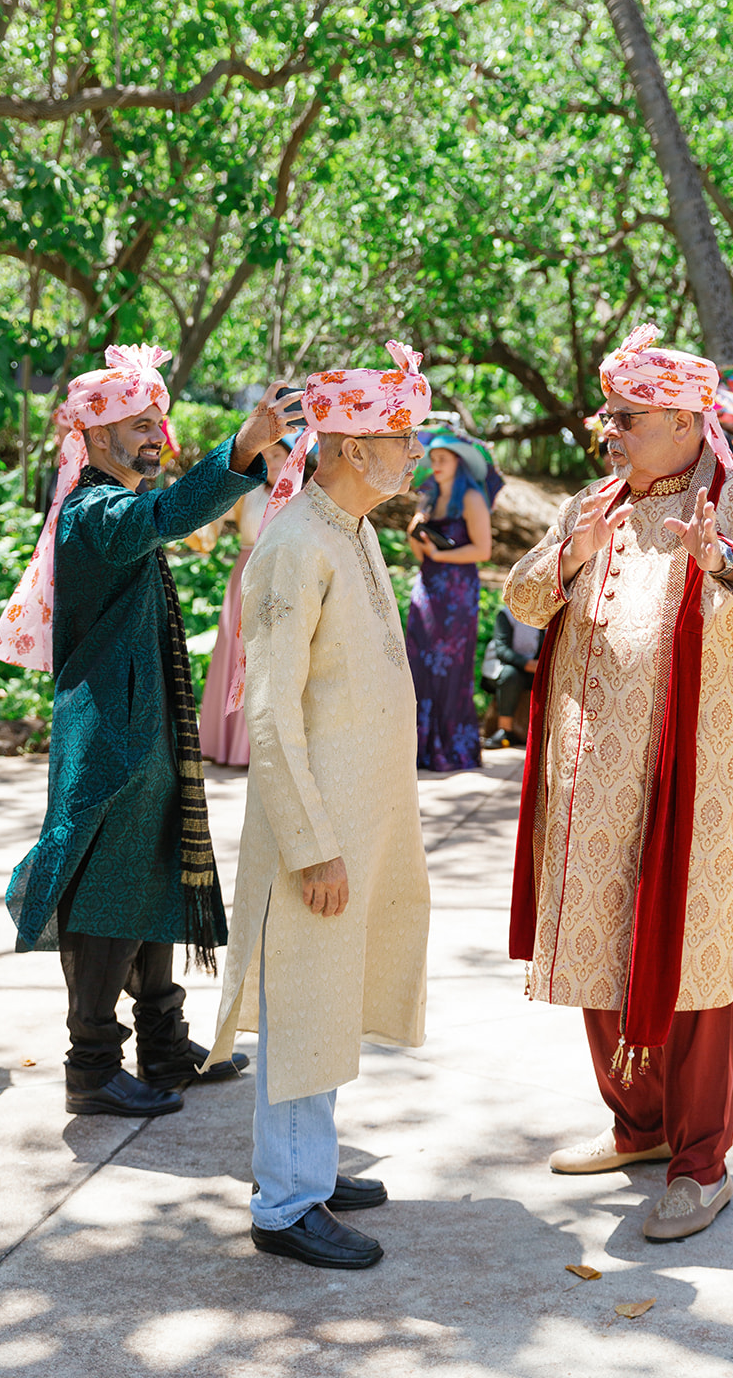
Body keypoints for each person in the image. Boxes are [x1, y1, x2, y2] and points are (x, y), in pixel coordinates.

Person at [505, 324, 733, 1242]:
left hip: (694, 784)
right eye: (606, 414)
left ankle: (700, 1163)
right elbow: (522, 602)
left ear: (689, 422)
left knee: (691, 968)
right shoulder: (592, 502)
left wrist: (723, 559)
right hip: (587, 785)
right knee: (597, 956)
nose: (605, 430)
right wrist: (567, 555)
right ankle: (637, 1128)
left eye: (626, 416)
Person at [0, 345, 301, 1118]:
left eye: (156, 419)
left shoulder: (109, 502)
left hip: (141, 730)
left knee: (152, 875)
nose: (154, 433)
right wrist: (243, 447)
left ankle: (162, 1044)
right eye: (135, 424)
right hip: (112, 740)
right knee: (104, 895)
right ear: (92, 438)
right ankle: (92, 1067)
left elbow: (165, 511)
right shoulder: (94, 510)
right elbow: (163, 516)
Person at [205, 342, 432, 1272]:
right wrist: (310, 845)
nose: (413, 449)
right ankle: (285, 1202)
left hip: (361, 818)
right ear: (344, 447)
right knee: (301, 1001)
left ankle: (314, 1166)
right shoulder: (295, 543)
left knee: (332, 993)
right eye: (398, 435)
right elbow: (269, 706)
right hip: (320, 829)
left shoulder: (350, 528)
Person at [196, 436, 294, 767]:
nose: (272, 462)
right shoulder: (247, 492)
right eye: (266, 456)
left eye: (278, 455)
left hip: (288, 577)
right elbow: (210, 517)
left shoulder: (303, 494)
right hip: (247, 576)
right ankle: (229, 746)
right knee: (238, 652)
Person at [406, 433, 493, 771]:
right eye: (434, 459)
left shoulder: (471, 497)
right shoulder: (426, 498)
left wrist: (441, 557)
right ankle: (421, 747)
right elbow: (419, 553)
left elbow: (482, 551)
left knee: (450, 666)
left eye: (444, 458)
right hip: (427, 588)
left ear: (459, 461)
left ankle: (450, 749)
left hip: (457, 592)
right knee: (419, 663)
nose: (436, 465)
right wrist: (416, 530)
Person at [480, 605, 543, 750]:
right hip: (506, 668)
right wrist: (530, 665)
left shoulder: (550, 612)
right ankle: (505, 730)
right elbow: (502, 650)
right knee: (511, 676)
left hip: (538, 670)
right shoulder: (507, 614)